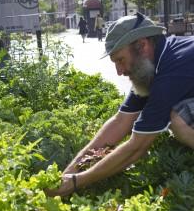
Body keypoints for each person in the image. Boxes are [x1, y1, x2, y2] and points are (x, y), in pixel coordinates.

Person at [46, 12, 194, 197]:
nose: (119, 72)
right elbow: (120, 122)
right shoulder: (152, 65)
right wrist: (69, 173)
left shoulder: (173, 68)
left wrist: (76, 183)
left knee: (178, 120)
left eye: (120, 60)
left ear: (142, 46)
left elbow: (137, 147)